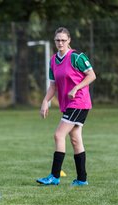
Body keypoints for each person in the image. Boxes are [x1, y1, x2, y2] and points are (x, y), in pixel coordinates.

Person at [36, 27, 96, 186]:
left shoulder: (77, 57)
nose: (60, 42)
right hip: (68, 104)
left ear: (69, 40)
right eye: (57, 40)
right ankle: (82, 179)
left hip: (79, 102)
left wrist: (76, 88)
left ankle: (54, 176)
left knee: (58, 135)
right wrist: (45, 101)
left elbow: (92, 75)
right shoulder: (53, 60)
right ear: (54, 41)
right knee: (75, 140)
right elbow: (53, 86)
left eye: (63, 40)